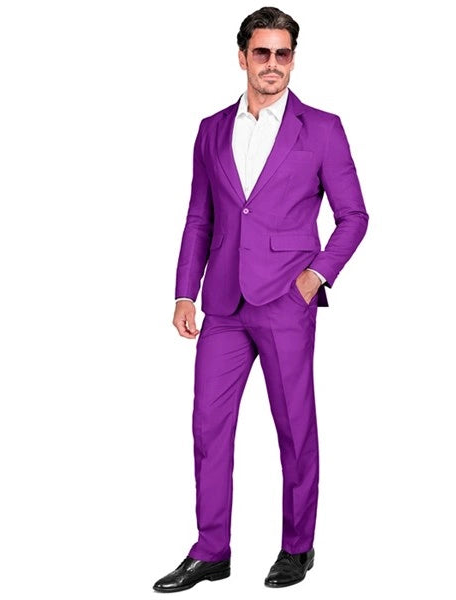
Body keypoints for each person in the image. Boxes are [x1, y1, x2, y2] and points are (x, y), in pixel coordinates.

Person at [153, 6, 369, 593]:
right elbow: (200, 217)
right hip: (223, 303)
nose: (272, 64)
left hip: (286, 300)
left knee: (294, 427)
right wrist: (184, 292)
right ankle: (211, 550)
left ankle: (298, 547)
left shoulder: (321, 128)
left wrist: (315, 277)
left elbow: (354, 216)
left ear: (292, 59)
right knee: (208, 426)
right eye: (261, 52)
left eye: (283, 53)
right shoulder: (211, 129)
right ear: (243, 56)